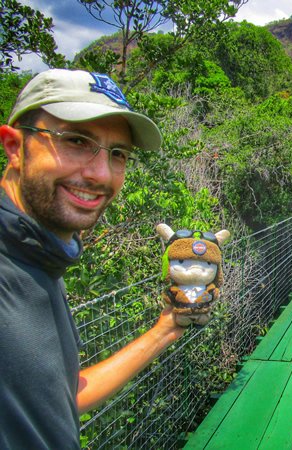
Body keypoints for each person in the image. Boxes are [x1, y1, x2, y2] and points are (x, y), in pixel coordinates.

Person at [0, 69, 188, 449]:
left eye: (118, 154)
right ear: (15, 147)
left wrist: (167, 327)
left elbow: (58, 399)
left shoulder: (40, 260)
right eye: (75, 140)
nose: (102, 174)